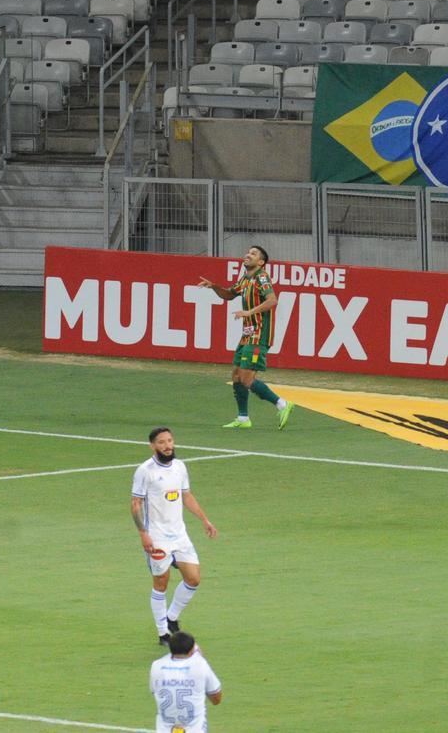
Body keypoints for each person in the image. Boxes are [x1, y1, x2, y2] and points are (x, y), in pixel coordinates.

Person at [131, 427, 218, 646]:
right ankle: (163, 633)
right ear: (152, 446)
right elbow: (135, 504)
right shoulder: (145, 471)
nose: (168, 446)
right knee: (161, 582)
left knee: (193, 579)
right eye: (162, 442)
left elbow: (186, 495)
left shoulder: (180, 467)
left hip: (180, 535)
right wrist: (143, 534)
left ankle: (171, 618)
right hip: (157, 537)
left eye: (170, 441)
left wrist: (204, 520)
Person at [197, 245, 295, 430]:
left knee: (246, 379)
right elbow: (229, 294)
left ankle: (282, 404)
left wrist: (249, 312)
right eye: (248, 252)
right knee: (236, 374)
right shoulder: (245, 279)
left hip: (259, 335)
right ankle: (243, 418)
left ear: (261, 262)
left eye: (253, 254)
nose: (247, 255)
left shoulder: (261, 277)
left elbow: (272, 300)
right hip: (248, 335)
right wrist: (214, 287)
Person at [150, 630, 222, 733]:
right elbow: (216, 699)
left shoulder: (156, 666)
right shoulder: (200, 665)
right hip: (195, 729)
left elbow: (155, 691)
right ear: (191, 650)